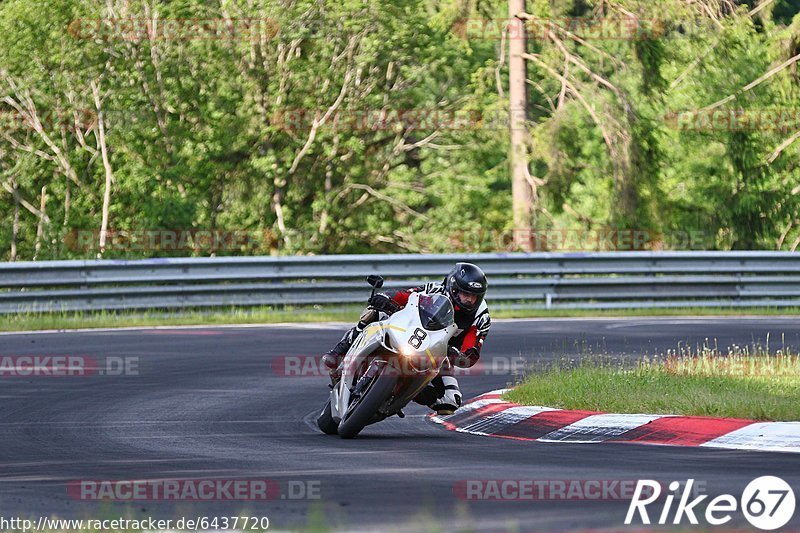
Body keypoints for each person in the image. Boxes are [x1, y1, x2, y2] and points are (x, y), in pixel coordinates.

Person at [322, 262, 491, 415]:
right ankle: (340, 350)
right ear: (454, 288)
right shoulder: (434, 290)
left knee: (451, 401)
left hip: (439, 354)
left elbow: (472, 349)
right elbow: (406, 295)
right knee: (375, 312)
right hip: (409, 333)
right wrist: (386, 298)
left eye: (474, 296)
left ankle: (405, 394)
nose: (469, 299)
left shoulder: (480, 316)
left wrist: (461, 356)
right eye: (465, 293)